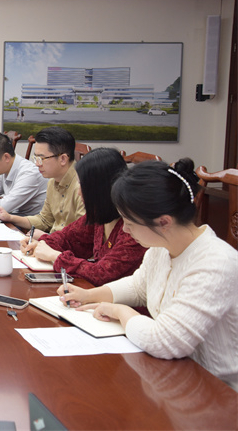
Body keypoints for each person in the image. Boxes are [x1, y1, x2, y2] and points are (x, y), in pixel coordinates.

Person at [60, 158, 238, 391]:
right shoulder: (161, 247)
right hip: (174, 376)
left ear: (164, 222)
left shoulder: (215, 264)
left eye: (129, 222)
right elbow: (139, 286)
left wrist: (120, 311)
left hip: (217, 390)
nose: (125, 229)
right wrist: (90, 295)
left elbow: (165, 341)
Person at [19, 147, 146, 286]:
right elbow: (67, 238)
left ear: (100, 189)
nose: (79, 192)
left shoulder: (133, 229)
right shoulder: (98, 216)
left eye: (82, 186)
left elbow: (101, 274)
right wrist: (42, 244)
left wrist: (55, 256)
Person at [0, 127, 85, 236]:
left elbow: (82, 236)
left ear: (63, 159)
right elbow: (44, 220)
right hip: (53, 242)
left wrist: (45, 238)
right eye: (35, 158)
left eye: (41, 159)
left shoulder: (83, 187)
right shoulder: (52, 182)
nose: (37, 164)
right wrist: (10, 218)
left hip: (64, 245)